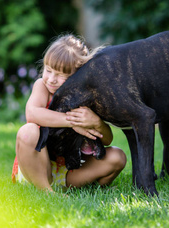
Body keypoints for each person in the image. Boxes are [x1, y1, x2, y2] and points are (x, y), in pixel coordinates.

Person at [12, 34, 127, 192]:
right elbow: (32, 114)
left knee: (117, 157)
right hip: (37, 168)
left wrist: (96, 123)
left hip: (67, 173)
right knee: (27, 132)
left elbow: (107, 140)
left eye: (60, 75)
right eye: (48, 70)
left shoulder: (86, 98)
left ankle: (85, 188)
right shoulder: (42, 87)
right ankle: (46, 191)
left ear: (78, 76)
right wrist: (72, 121)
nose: (51, 79)